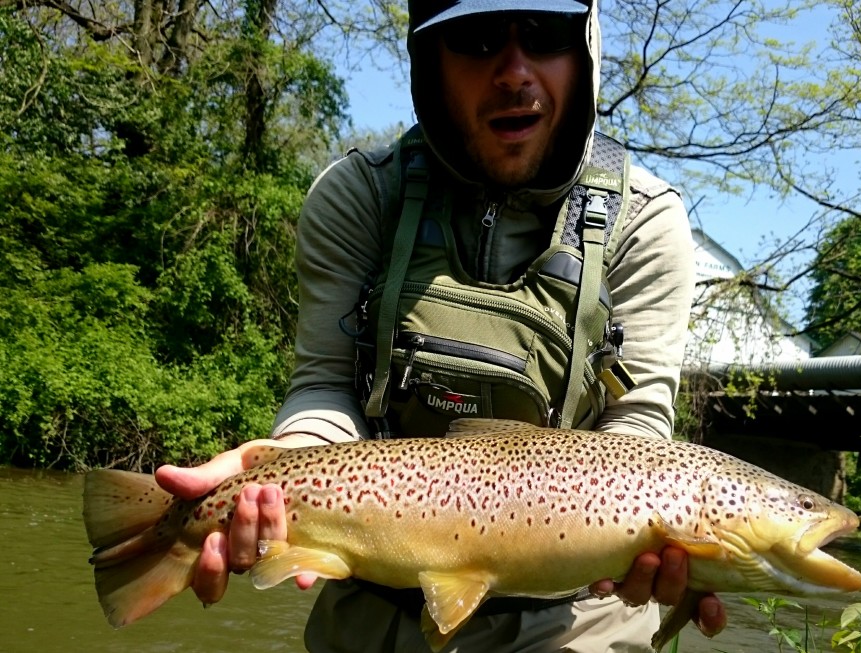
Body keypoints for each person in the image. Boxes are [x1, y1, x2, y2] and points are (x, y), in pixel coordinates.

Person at [156, 0, 728, 650]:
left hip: (576, 618)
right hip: (375, 601)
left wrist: (658, 537)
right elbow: (326, 385)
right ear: (430, 59)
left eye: (545, 36)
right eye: (478, 39)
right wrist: (281, 467)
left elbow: (637, 428)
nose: (514, 72)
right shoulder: (360, 196)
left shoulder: (646, 222)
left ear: (585, 51)